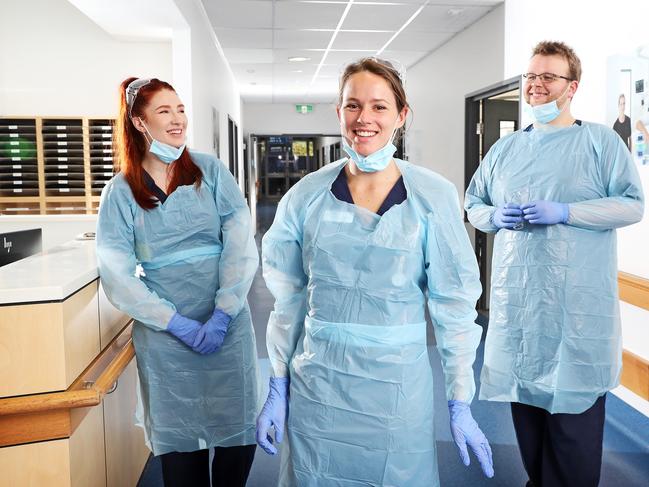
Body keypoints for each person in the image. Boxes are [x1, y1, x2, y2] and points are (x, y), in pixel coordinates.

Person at [256, 58, 494, 486]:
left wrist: (461, 398)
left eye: (379, 107)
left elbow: (454, 304)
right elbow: (289, 298)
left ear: (402, 116)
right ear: (339, 113)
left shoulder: (432, 196)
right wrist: (277, 381)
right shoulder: (305, 197)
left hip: (396, 388)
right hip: (319, 385)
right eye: (353, 105)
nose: (364, 118)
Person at [465, 41, 644, 487]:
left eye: (548, 77)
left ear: (572, 86)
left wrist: (568, 213)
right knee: (528, 426)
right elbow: (473, 202)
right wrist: (492, 217)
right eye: (530, 76)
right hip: (520, 315)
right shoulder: (505, 149)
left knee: (572, 438)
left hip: (576, 316)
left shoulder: (599, 141)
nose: (536, 85)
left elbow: (631, 205)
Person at [96, 77, 260, 487]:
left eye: (181, 109)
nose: (178, 119)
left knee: (237, 436)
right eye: (164, 111)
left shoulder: (210, 171)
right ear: (139, 121)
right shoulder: (121, 192)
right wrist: (175, 322)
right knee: (180, 446)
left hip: (227, 323)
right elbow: (116, 270)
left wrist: (224, 311)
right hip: (167, 337)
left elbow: (239, 242)